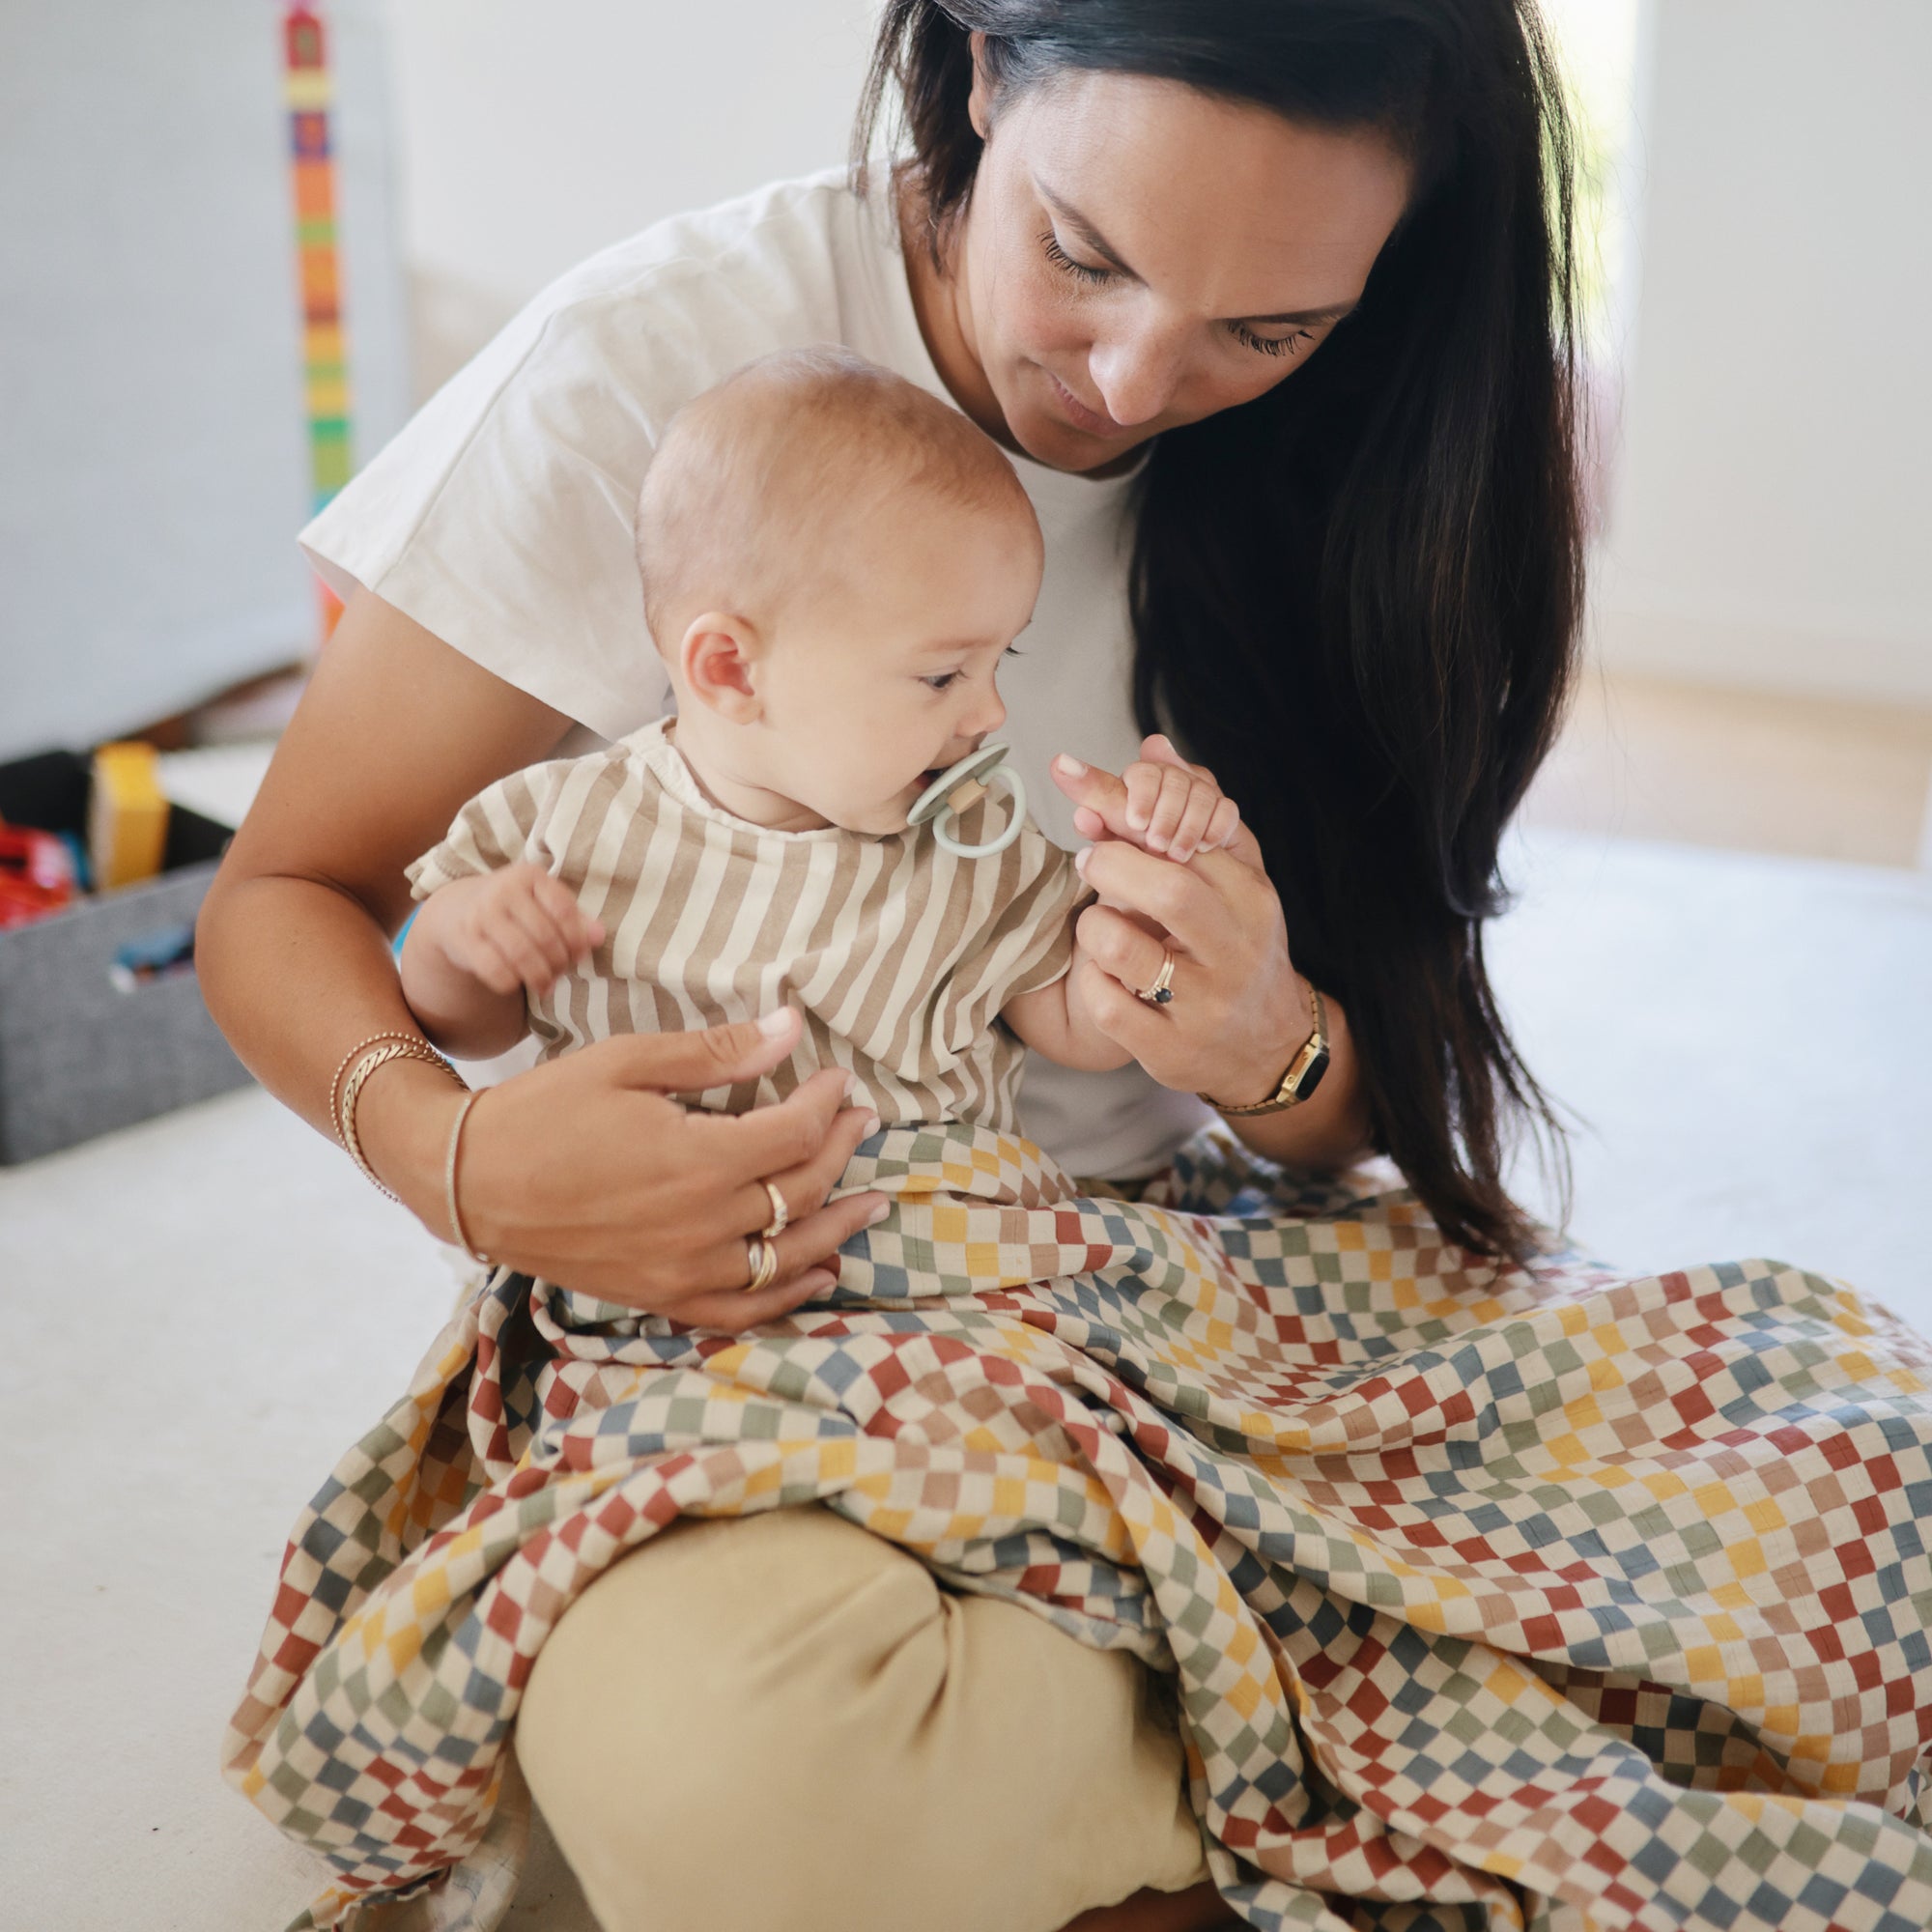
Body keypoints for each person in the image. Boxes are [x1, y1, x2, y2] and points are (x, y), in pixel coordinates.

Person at [202, 3, 1588, 1926]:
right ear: (972, 74)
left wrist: (1260, 1038)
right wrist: (453, 1146)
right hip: (736, 1331)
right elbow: (288, 889)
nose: (1126, 379)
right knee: (717, 1753)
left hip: (1136, 1277)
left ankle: (1200, 1735)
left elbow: (1357, 1109)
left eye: (1265, 328)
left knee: (1833, 1478)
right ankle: (1318, 1729)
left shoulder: (1388, 455)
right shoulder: (655, 375)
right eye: (1081, 255)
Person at [396, 349, 1243, 1157]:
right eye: (943, 674)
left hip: (941, 1233)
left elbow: (1079, 1033)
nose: (990, 711)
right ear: (731, 670)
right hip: (653, 1230)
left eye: (1000, 660)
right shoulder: (561, 823)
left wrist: (1146, 908)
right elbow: (466, 1029)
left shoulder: (969, 841)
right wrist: (460, 941)